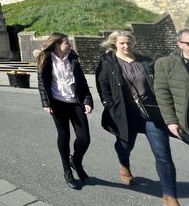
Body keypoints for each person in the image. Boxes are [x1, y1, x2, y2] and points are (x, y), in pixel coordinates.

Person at [95, 31, 178, 206]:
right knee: (125, 145)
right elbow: (103, 85)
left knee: (163, 153)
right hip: (126, 113)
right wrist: (109, 105)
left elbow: (162, 83)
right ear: (114, 44)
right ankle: (124, 163)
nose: (126, 46)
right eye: (122, 43)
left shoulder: (146, 61)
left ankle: (169, 195)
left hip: (151, 113)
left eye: (129, 43)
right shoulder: (107, 62)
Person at [37, 33, 93, 189]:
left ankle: (75, 161)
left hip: (75, 103)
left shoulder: (73, 59)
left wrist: (87, 100)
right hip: (57, 104)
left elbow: (82, 81)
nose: (70, 45)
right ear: (57, 45)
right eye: (67, 43)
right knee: (64, 136)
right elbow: (42, 83)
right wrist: (46, 102)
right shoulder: (46, 59)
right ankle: (67, 170)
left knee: (85, 139)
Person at [154, 29, 189, 143]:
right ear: (179, 44)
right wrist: (171, 121)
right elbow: (162, 94)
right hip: (186, 120)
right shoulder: (165, 63)